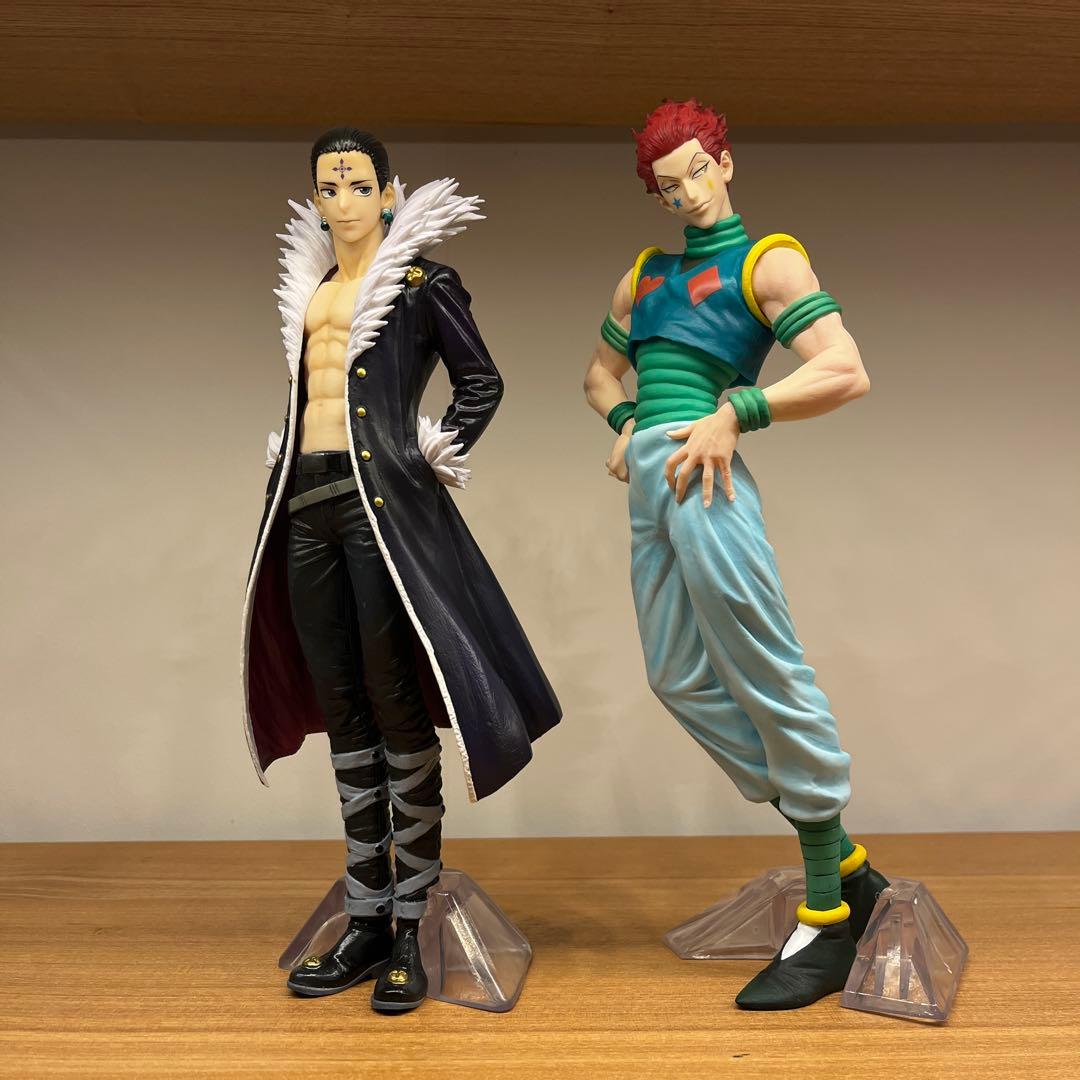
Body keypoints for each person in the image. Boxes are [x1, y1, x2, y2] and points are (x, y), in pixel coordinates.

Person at [242, 127, 561, 1012]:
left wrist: (431, 455)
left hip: (377, 508)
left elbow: (480, 380)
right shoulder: (310, 292)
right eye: (328, 186)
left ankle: (412, 920)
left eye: (357, 184)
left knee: (396, 702)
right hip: (303, 504)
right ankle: (365, 917)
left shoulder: (422, 285)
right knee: (342, 703)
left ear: (389, 194)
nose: (341, 200)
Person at [584, 100, 888, 1010]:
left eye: (695, 170)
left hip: (707, 471)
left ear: (723, 161)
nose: (685, 192)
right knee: (676, 676)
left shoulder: (767, 261)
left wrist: (739, 412)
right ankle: (846, 860)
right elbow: (599, 375)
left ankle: (827, 918)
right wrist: (626, 419)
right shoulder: (644, 274)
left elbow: (844, 368)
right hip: (652, 476)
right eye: (666, 185)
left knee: (764, 667)